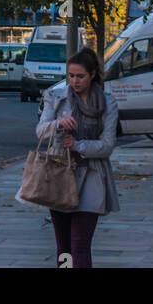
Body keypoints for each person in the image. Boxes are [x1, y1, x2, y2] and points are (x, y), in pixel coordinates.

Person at [35, 47, 120, 268]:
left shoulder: (107, 103)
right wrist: (58, 124)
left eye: (80, 76)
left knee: (80, 244)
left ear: (92, 74)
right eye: (70, 75)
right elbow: (40, 132)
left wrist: (79, 144)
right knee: (63, 246)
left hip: (91, 174)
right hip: (59, 172)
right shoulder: (56, 97)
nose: (74, 81)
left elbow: (108, 145)